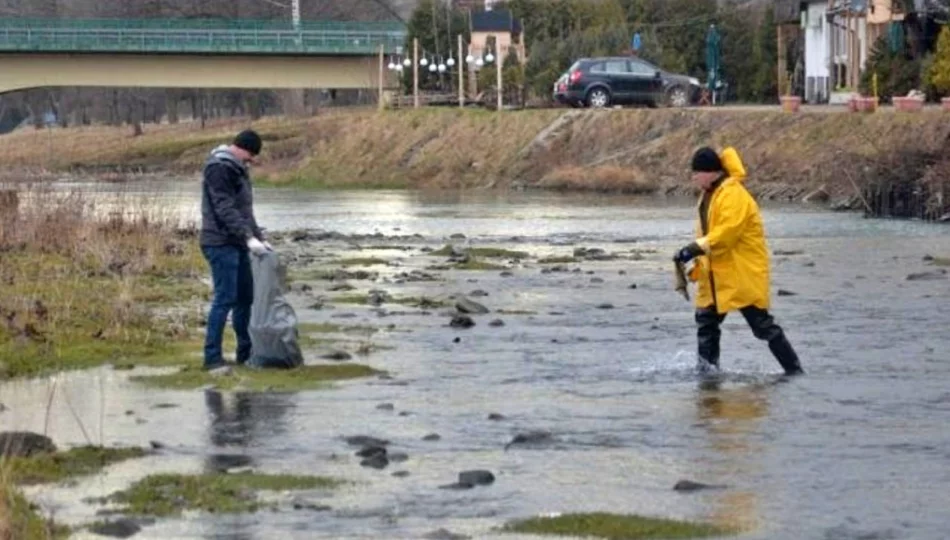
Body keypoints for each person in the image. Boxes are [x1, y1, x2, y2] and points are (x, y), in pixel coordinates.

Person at [673, 146, 804, 376]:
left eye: (697, 172)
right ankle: (707, 379)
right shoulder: (710, 194)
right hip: (715, 277)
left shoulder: (733, 194)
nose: (693, 177)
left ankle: (794, 371)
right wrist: (696, 258)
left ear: (711, 172)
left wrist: (694, 249)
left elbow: (726, 234)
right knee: (706, 325)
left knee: (763, 327)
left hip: (741, 274)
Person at [200, 129, 272, 371]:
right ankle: (212, 359)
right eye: (250, 154)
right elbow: (225, 208)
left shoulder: (239, 169)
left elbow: (245, 211)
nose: (251, 159)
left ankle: (246, 354)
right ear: (241, 148)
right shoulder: (218, 168)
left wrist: (259, 238)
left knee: (245, 299)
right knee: (224, 299)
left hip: (237, 243)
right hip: (219, 242)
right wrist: (247, 237)